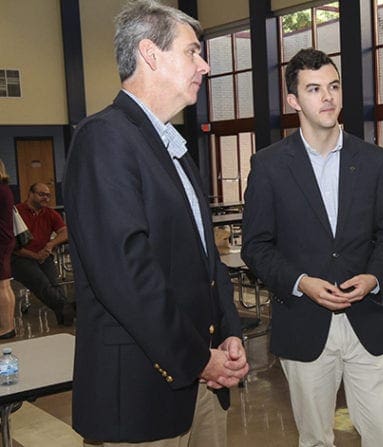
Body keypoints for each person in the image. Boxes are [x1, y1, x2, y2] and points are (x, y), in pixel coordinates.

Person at [63, 1, 248, 445]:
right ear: (150, 54)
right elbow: (127, 275)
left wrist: (229, 334)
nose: (204, 66)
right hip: (145, 390)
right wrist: (197, 358)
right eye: (192, 52)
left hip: (202, 378)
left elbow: (207, 260)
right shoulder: (104, 138)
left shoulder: (172, 146)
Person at [241, 48, 383, 447]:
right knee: (315, 439)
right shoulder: (269, 165)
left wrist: (373, 277)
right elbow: (256, 246)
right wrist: (301, 282)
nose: (327, 97)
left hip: (365, 318)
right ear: (294, 100)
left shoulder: (373, 161)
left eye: (333, 86)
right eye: (314, 89)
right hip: (303, 321)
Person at [11, 182, 74, 326]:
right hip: (21, 257)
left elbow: (65, 232)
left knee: (55, 284)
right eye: (41, 194)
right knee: (42, 283)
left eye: (48, 195)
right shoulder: (16, 212)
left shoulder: (50, 213)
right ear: (30, 194)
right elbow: (12, 246)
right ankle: (70, 309)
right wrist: (36, 256)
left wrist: (50, 245)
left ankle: (65, 316)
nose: (46, 198)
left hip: (44, 255)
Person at [0, 160, 16, 339]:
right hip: (5, 239)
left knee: (2, 285)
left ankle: (6, 327)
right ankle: (8, 325)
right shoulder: (5, 188)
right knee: (5, 284)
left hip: (1, 240)